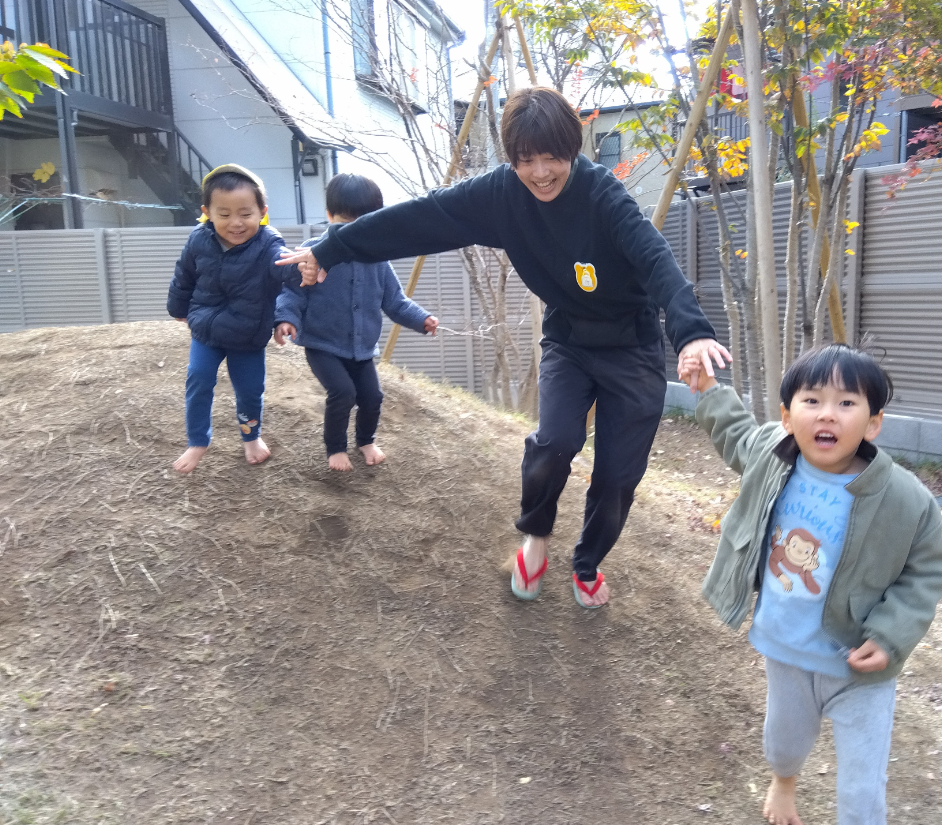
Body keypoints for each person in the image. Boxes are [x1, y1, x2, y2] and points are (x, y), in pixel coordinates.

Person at [277, 86, 731, 608]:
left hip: (631, 347)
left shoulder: (603, 195)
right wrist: (331, 249)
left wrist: (692, 332)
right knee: (554, 442)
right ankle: (534, 538)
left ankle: (586, 563)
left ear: (574, 149)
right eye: (526, 160)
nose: (540, 173)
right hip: (569, 341)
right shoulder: (502, 194)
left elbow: (656, 260)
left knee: (618, 475)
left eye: (553, 158)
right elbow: (419, 219)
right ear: (512, 159)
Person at [683, 344, 942, 825]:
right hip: (787, 651)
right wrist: (708, 391)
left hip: (860, 668)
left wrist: (892, 634)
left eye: (847, 403)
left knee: (860, 789)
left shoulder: (905, 499)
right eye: (811, 399)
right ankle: (784, 781)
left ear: (873, 424)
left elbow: (925, 572)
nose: (827, 413)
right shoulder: (773, 455)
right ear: (787, 416)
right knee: (783, 742)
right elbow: (735, 432)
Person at [274, 173, 438, 471]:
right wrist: (285, 319)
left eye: (360, 225)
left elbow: (395, 301)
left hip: (361, 348)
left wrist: (421, 319)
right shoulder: (313, 251)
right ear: (328, 216)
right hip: (322, 344)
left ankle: (366, 440)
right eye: (343, 225)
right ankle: (335, 448)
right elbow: (292, 293)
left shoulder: (377, 259)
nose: (350, 234)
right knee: (343, 393)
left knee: (372, 396)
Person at [167, 164, 300, 474]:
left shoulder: (269, 245)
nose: (236, 223)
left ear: (262, 211)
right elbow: (183, 274)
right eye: (224, 215)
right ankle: (198, 441)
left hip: (248, 333)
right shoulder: (199, 239)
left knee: (250, 389)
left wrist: (303, 272)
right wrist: (178, 308)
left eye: (245, 213)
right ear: (207, 212)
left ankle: (251, 437)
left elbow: (287, 276)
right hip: (206, 328)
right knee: (198, 379)